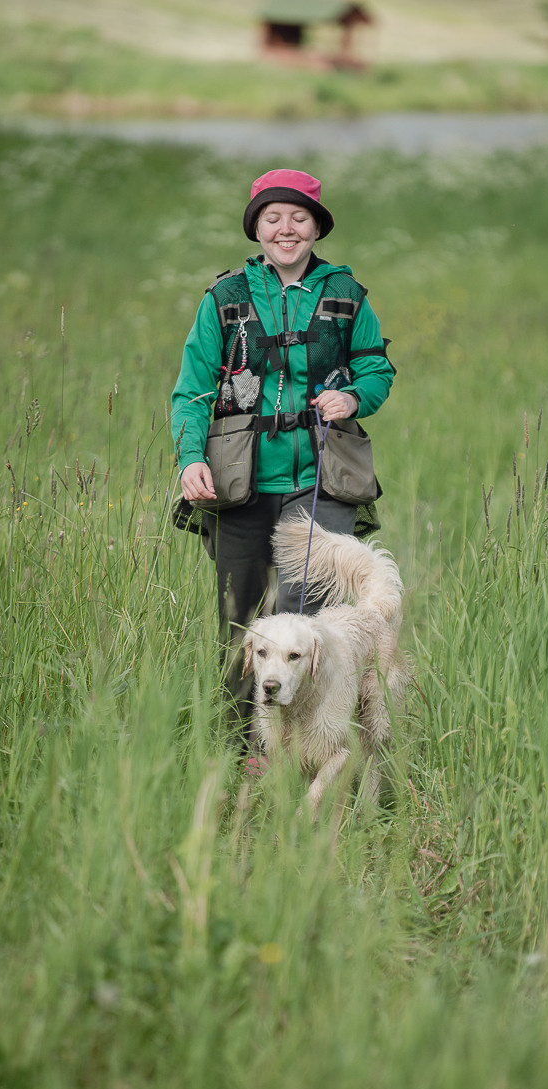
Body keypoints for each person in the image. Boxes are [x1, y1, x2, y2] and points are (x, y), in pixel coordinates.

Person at [171, 168, 395, 728]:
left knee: (306, 623)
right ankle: (241, 749)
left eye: (299, 218)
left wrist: (353, 398)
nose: (286, 229)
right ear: (257, 229)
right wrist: (190, 458)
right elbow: (193, 390)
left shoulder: (345, 294)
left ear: (317, 227)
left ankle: (314, 746)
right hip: (238, 483)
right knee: (241, 624)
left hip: (320, 479)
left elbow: (376, 367)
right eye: (273, 218)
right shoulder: (225, 298)